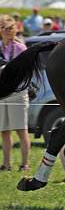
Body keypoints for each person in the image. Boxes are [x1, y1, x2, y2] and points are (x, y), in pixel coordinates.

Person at [0, 15, 30, 172]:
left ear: (15, 30)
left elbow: (25, 71)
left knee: (21, 130)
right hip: (1, 93)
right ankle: (6, 164)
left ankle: (25, 164)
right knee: (4, 131)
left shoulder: (20, 48)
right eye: (4, 28)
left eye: (10, 28)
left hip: (17, 93)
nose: (7, 31)